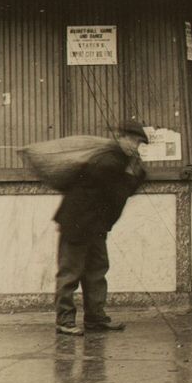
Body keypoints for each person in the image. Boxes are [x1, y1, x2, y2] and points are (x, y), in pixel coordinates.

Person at [54, 120, 148, 336]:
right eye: (133, 140)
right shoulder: (107, 159)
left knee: (97, 271)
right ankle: (65, 320)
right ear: (120, 137)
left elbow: (123, 191)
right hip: (77, 223)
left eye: (139, 143)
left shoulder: (121, 160)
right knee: (70, 272)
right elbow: (117, 191)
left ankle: (96, 318)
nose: (135, 146)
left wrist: (136, 173)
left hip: (95, 225)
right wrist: (132, 174)